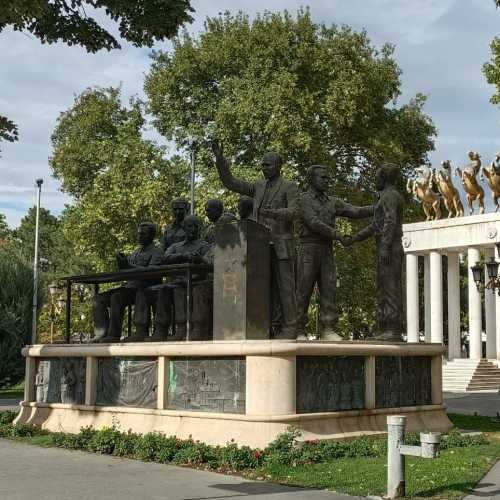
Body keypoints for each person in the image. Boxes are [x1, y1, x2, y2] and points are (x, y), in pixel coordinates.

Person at [212, 142, 298, 338]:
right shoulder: (258, 186)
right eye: (262, 165)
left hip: (281, 244)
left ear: (278, 166)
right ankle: (264, 327)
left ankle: (291, 327)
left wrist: (273, 213)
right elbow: (231, 183)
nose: (263, 168)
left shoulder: (289, 187)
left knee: (285, 287)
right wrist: (219, 159)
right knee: (261, 289)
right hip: (258, 247)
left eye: (267, 165)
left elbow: (295, 211)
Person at [297, 165, 373, 340]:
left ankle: (328, 328)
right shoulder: (303, 200)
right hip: (308, 248)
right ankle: (298, 327)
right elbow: (313, 222)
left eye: (328, 178)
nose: (327, 181)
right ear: (311, 179)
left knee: (329, 287)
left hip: (326, 249)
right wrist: (338, 234)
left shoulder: (333, 201)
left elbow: (356, 211)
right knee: (304, 288)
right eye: (323, 177)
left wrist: (378, 206)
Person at [343, 165, 404, 341]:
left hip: (390, 247)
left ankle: (393, 328)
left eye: (377, 177)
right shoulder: (385, 197)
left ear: (384, 179)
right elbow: (376, 225)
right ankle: (385, 326)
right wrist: (355, 237)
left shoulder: (390, 196)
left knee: (391, 286)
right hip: (386, 246)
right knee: (384, 286)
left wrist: (384, 246)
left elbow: (390, 222)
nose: (374, 181)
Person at [136, 215, 213, 341]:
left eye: (196, 226)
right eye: (189, 226)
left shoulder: (205, 246)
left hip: (195, 281)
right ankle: (160, 330)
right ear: (184, 228)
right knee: (161, 289)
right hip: (176, 282)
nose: (193, 229)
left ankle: (182, 328)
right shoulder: (175, 247)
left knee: (179, 291)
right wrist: (183, 256)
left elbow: (206, 267)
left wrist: (191, 275)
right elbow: (164, 258)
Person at [92, 222, 164, 343]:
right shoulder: (136, 252)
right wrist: (121, 262)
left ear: (151, 236)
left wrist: (128, 265)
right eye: (139, 234)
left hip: (145, 288)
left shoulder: (157, 252)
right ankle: (100, 332)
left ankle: (113, 335)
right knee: (98, 299)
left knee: (116, 297)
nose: (140, 236)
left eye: (143, 234)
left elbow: (151, 272)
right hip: (128, 287)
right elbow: (126, 269)